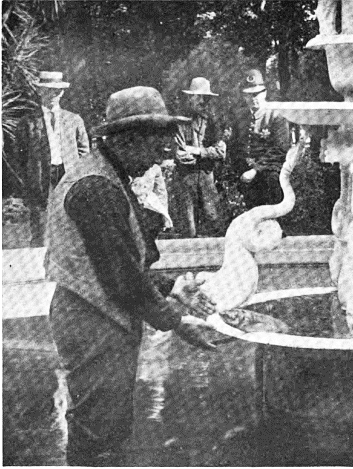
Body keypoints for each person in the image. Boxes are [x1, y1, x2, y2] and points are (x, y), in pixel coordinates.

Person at [44, 86, 218, 466]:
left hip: (97, 313)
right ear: (129, 139)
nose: (160, 155)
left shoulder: (106, 175)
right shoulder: (96, 187)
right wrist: (177, 322)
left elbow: (121, 263)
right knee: (99, 428)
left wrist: (175, 286)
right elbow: (122, 279)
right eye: (156, 144)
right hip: (92, 320)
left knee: (109, 420)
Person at [15, 71, 90, 247]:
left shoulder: (73, 120)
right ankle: (39, 255)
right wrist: (29, 178)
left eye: (57, 90)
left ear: (62, 93)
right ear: (40, 91)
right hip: (41, 176)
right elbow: (20, 156)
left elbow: (84, 151)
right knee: (41, 223)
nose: (53, 94)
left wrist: (78, 172)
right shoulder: (27, 122)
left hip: (67, 174)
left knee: (70, 220)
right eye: (48, 90)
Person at [173, 77, 228, 237]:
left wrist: (197, 151)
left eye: (206, 98)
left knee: (214, 222)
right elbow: (180, 154)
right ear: (190, 98)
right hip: (186, 178)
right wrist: (207, 153)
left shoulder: (213, 122)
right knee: (188, 228)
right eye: (198, 97)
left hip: (206, 177)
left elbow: (221, 152)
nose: (202, 101)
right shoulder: (180, 122)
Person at [235, 69, 291, 209]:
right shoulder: (241, 117)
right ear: (244, 96)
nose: (253, 98)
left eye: (256, 94)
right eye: (249, 95)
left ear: (264, 93)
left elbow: (280, 149)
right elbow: (236, 146)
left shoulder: (276, 116)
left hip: (269, 171)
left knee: (270, 209)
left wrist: (255, 170)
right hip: (246, 173)